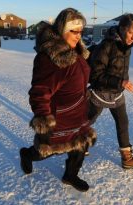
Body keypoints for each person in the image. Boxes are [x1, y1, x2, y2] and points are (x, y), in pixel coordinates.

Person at [19, 8, 96, 192]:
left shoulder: (77, 52)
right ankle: (27, 154)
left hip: (78, 113)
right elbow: (40, 91)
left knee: (80, 146)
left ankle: (70, 175)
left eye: (80, 31)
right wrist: (44, 120)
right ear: (62, 30)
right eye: (73, 31)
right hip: (59, 117)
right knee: (45, 151)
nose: (78, 35)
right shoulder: (50, 57)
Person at [87, 13, 133, 170]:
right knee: (88, 120)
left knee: (123, 122)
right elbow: (96, 75)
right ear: (122, 29)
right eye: (131, 32)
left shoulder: (126, 46)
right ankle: (78, 144)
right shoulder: (106, 46)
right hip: (100, 92)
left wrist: (122, 82)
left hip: (117, 92)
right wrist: (120, 81)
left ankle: (127, 158)